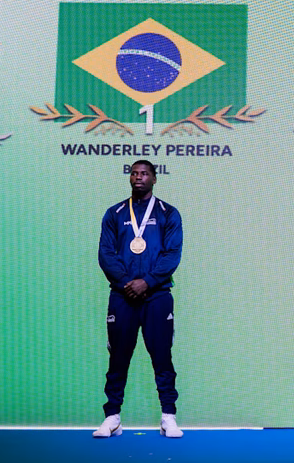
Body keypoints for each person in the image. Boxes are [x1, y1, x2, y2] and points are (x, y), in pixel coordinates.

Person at [94, 160, 184, 439]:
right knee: (118, 358)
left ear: (154, 179)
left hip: (157, 296)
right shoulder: (114, 213)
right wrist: (126, 283)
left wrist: (147, 281)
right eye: (134, 173)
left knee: (162, 356)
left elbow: (172, 254)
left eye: (144, 173)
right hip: (122, 297)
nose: (138, 177)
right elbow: (106, 254)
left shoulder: (169, 213)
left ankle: (168, 416)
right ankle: (112, 417)